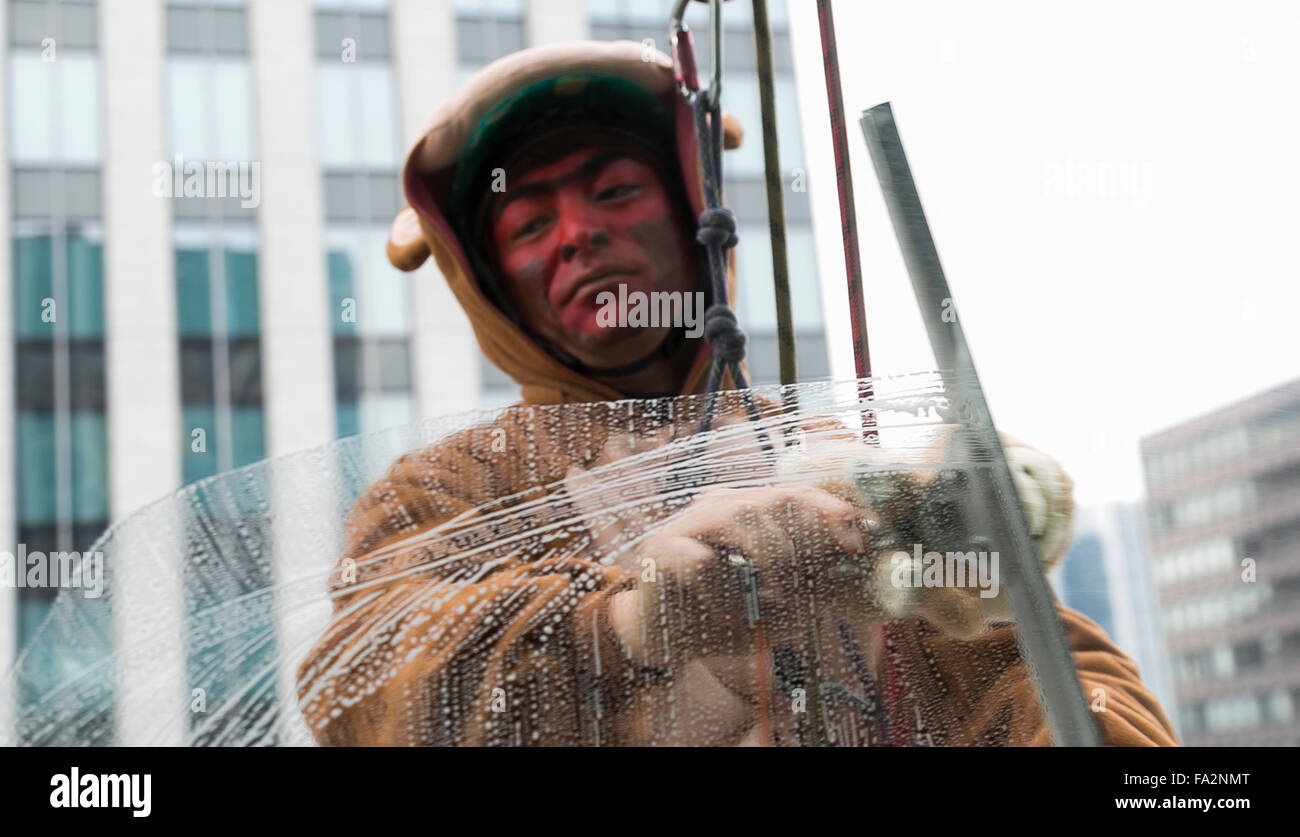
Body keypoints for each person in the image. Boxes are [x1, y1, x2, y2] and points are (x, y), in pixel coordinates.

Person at [296, 40, 1177, 746]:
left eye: (614, 190)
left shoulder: (833, 461)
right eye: (529, 222)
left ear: (694, 221)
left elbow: (1040, 667)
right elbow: (366, 688)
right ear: (487, 282)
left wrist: (988, 561)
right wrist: (631, 624)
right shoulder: (450, 492)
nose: (580, 233)